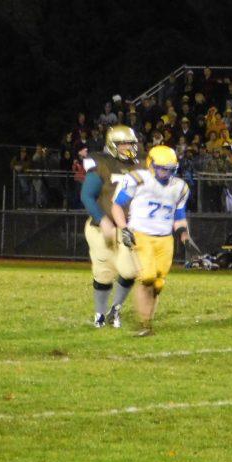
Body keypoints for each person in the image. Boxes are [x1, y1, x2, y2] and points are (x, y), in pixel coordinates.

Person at [111, 146, 192, 337]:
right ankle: (144, 324)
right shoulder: (138, 179)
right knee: (146, 277)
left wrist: (183, 232)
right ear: (151, 164)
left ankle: (147, 322)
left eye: (169, 169)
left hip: (165, 238)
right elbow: (117, 206)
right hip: (142, 234)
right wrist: (124, 228)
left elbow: (179, 215)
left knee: (158, 283)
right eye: (162, 168)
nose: (165, 172)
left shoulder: (180, 187)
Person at [79, 126, 140, 329]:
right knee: (104, 273)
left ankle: (116, 309)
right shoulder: (102, 163)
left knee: (130, 270)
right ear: (113, 145)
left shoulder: (140, 166)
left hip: (128, 227)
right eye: (124, 143)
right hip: (101, 227)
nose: (128, 147)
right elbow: (87, 195)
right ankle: (100, 313)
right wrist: (102, 218)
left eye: (131, 143)